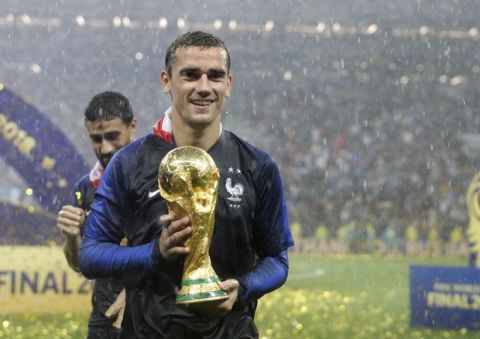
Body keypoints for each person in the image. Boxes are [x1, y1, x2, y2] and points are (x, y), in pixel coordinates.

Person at [79, 31, 294, 338]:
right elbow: (90, 255)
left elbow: (277, 259)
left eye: (215, 76)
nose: (204, 87)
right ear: (167, 81)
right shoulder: (128, 163)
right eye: (191, 75)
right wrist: (155, 253)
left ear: (228, 85)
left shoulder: (258, 166)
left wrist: (244, 288)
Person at [57, 91, 137, 338]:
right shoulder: (85, 188)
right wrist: (71, 237)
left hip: (150, 315)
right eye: (96, 139)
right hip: (103, 320)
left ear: (132, 127)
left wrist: (135, 293)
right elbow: (78, 265)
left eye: (113, 136)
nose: (105, 148)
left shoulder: (158, 175)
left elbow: (176, 252)